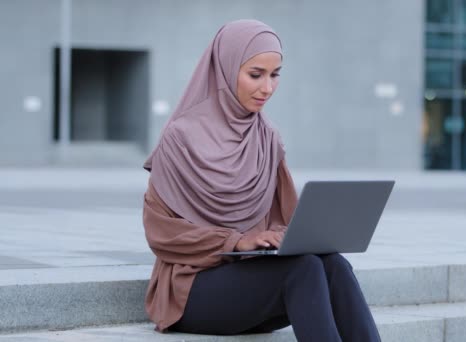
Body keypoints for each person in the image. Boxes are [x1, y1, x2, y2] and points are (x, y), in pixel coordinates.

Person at [142, 19, 381, 341]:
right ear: (226, 70)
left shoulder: (266, 137)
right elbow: (160, 233)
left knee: (332, 263)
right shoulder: (180, 137)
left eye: (275, 74)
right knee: (304, 269)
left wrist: (280, 236)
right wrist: (234, 241)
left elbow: (288, 219)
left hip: (255, 287)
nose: (267, 88)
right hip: (192, 291)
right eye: (256, 75)